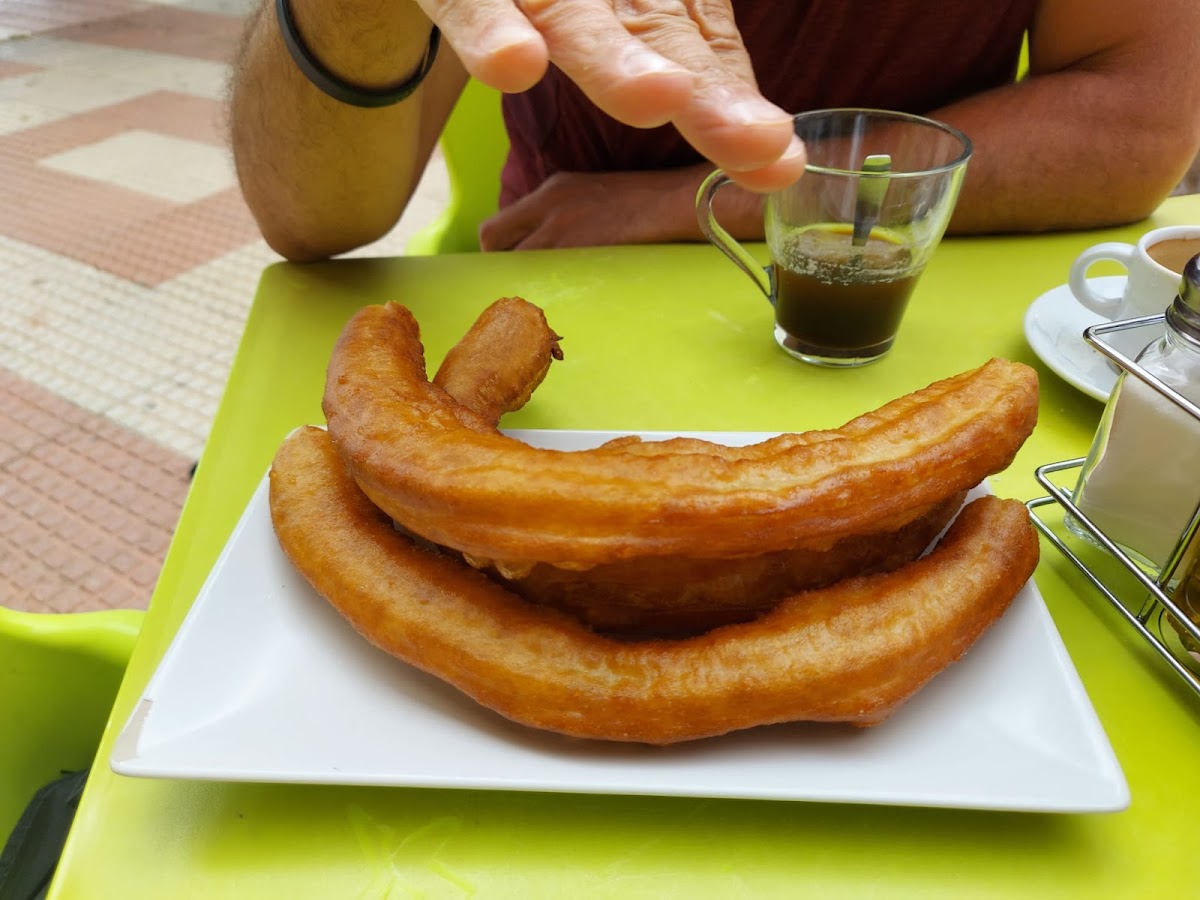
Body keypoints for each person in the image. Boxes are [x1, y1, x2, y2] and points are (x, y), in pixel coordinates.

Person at [229, 0, 1200, 261]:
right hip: (550, 275)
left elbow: (1137, 122)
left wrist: (683, 205)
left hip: (908, 286)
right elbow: (310, 220)